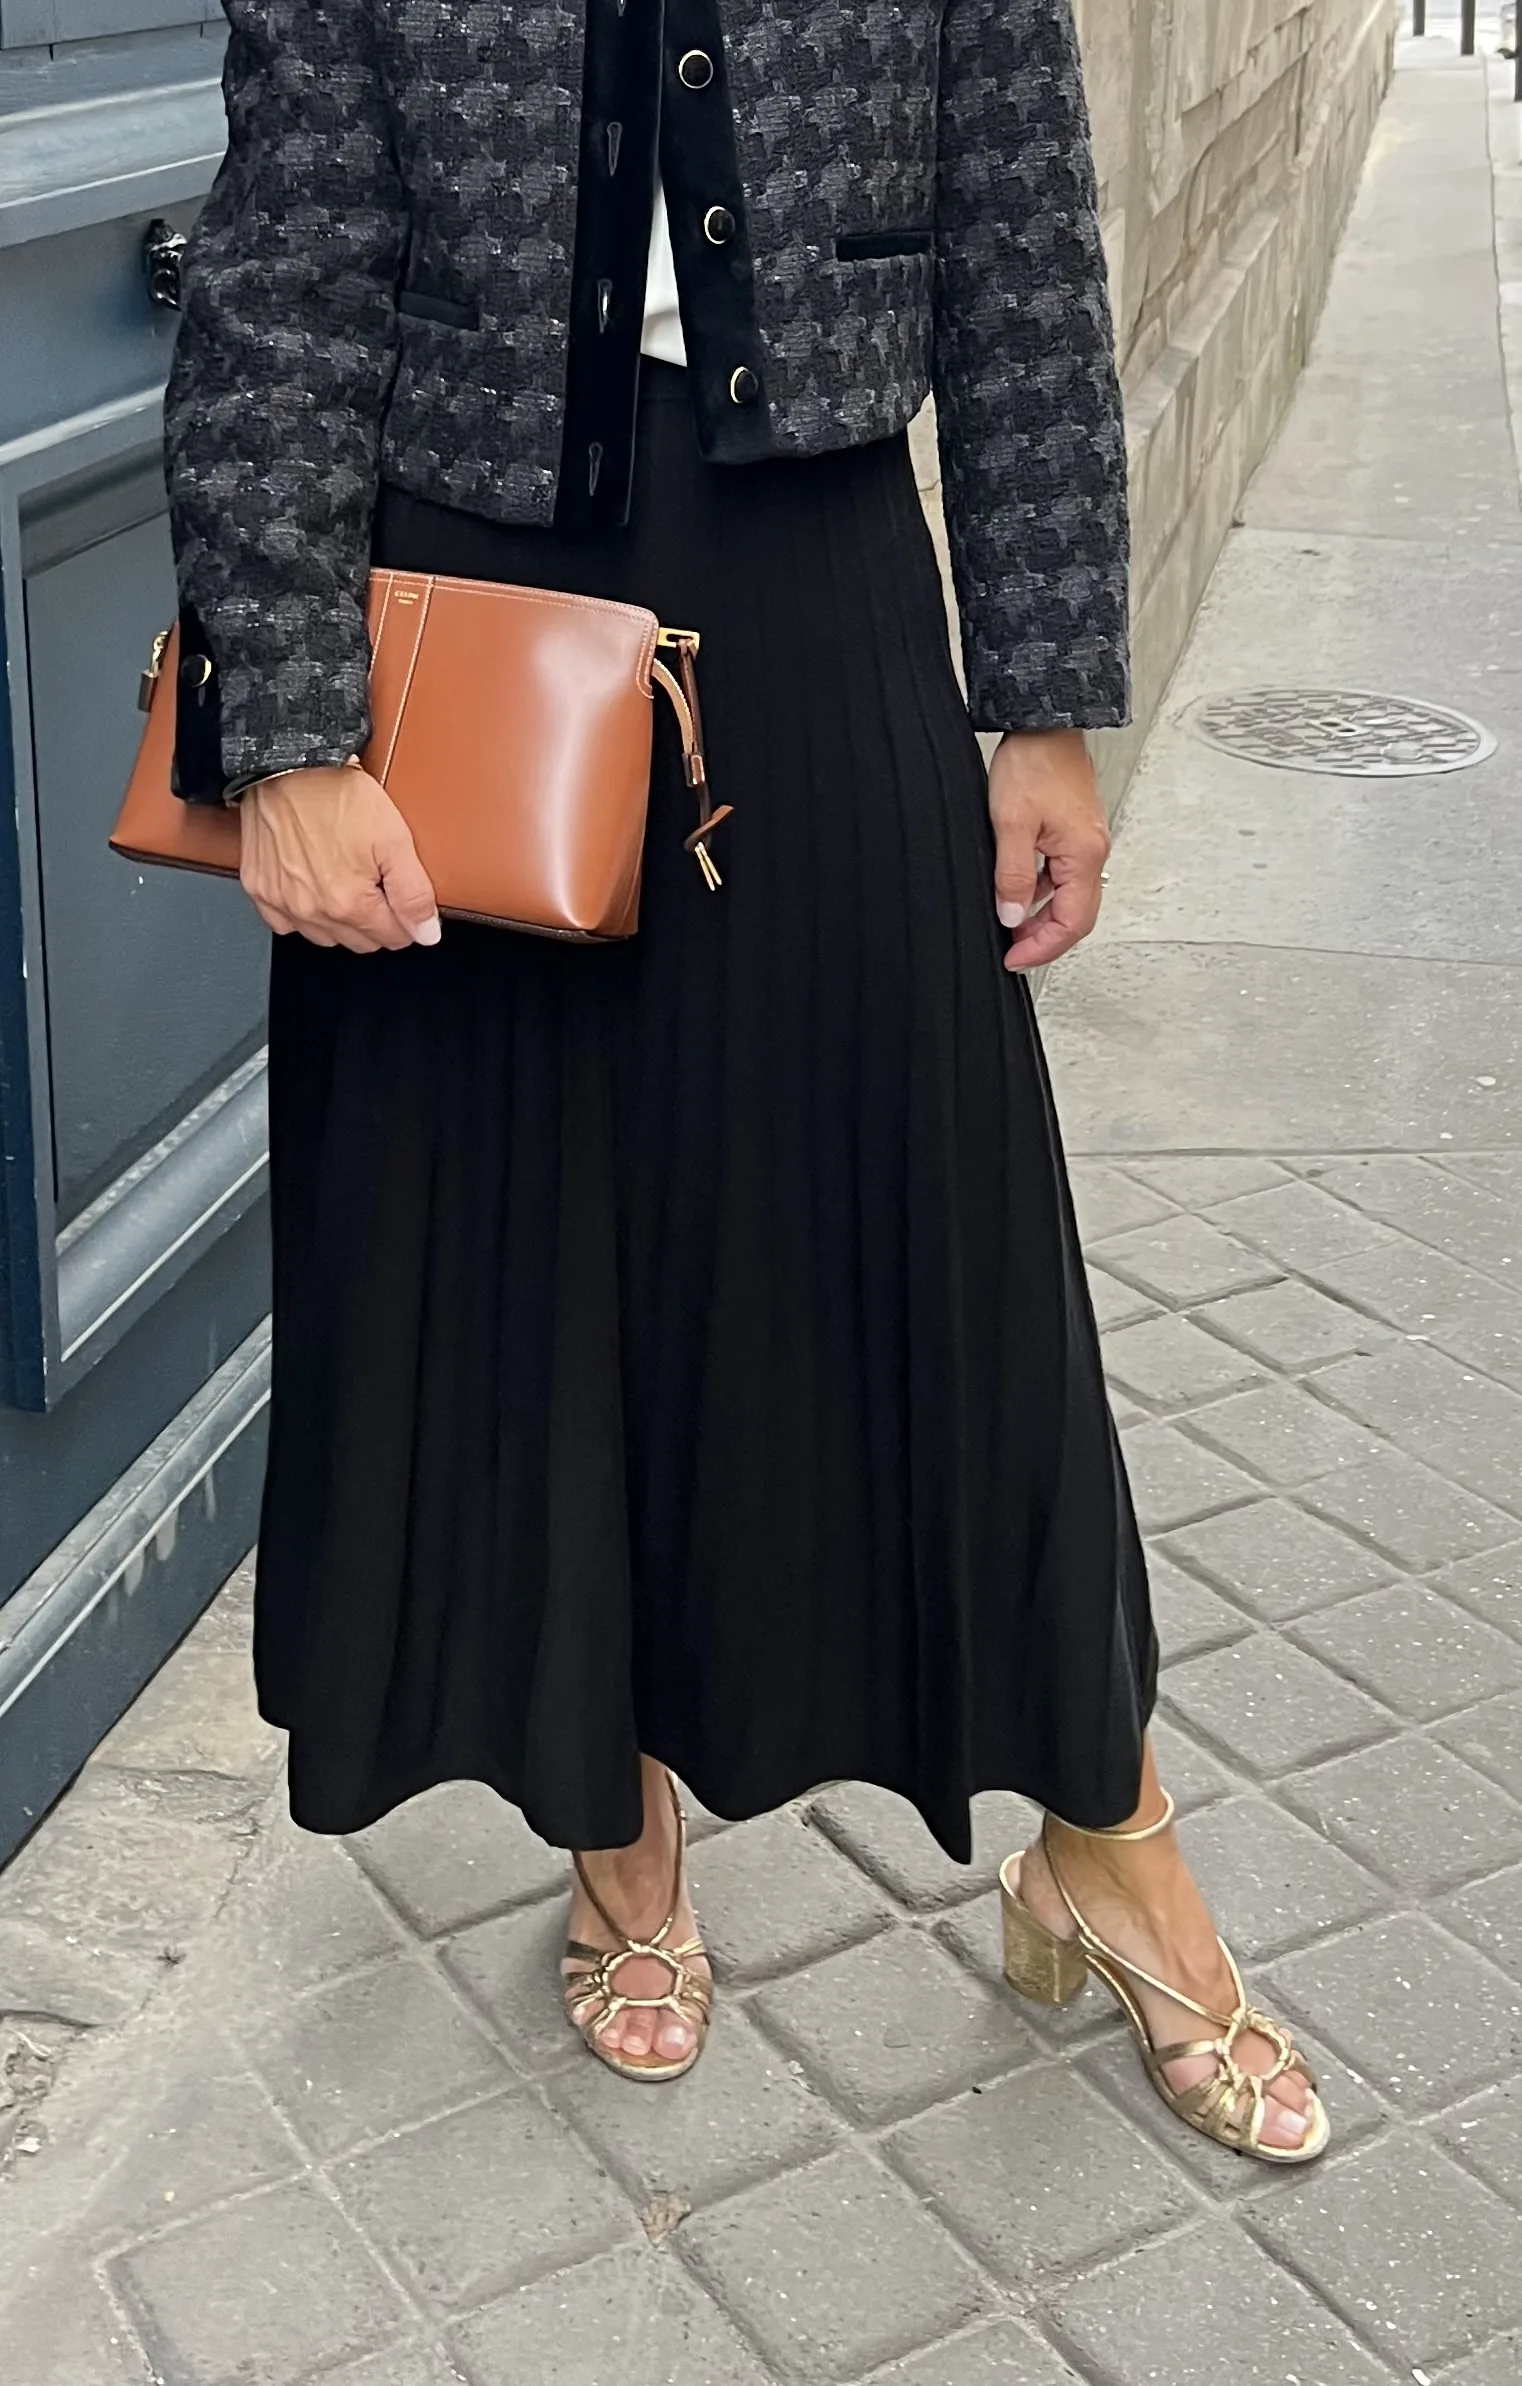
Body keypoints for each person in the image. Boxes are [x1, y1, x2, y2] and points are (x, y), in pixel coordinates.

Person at [161, 0, 1326, 2160]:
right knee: (533, 1264)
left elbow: (1017, 245)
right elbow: (285, 273)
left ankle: (1105, 1831)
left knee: (947, 1243)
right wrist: (293, 727)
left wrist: (1043, 697)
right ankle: (613, 1827)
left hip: (824, 598)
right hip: (468, 621)